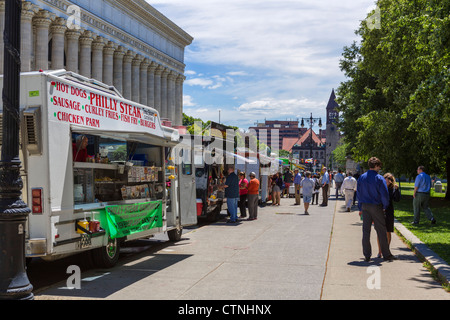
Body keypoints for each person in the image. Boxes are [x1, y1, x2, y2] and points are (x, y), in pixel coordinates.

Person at [357, 157, 396, 262]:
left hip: (365, 206)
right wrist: (385, 206)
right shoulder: (379, 178)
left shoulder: (361, 177)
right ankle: (386, 254)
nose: (380, 168)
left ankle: (367, 254)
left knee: (366, 231)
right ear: (377, 166)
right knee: (381, 231)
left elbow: (359, 193)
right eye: (379, 166)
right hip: (376, 206)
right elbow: (384, 194)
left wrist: (360, 207)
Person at [377, 173, 401, 258]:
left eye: (389, 180)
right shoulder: (380, 188)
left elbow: (397, 199)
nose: (387, 181)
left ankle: (386, 250)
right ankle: (379, 251)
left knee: (388, 231)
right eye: (386, 179)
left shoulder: (392, 189)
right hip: (380, 211)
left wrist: (397, 190)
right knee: (379, 232)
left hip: (389, 212)